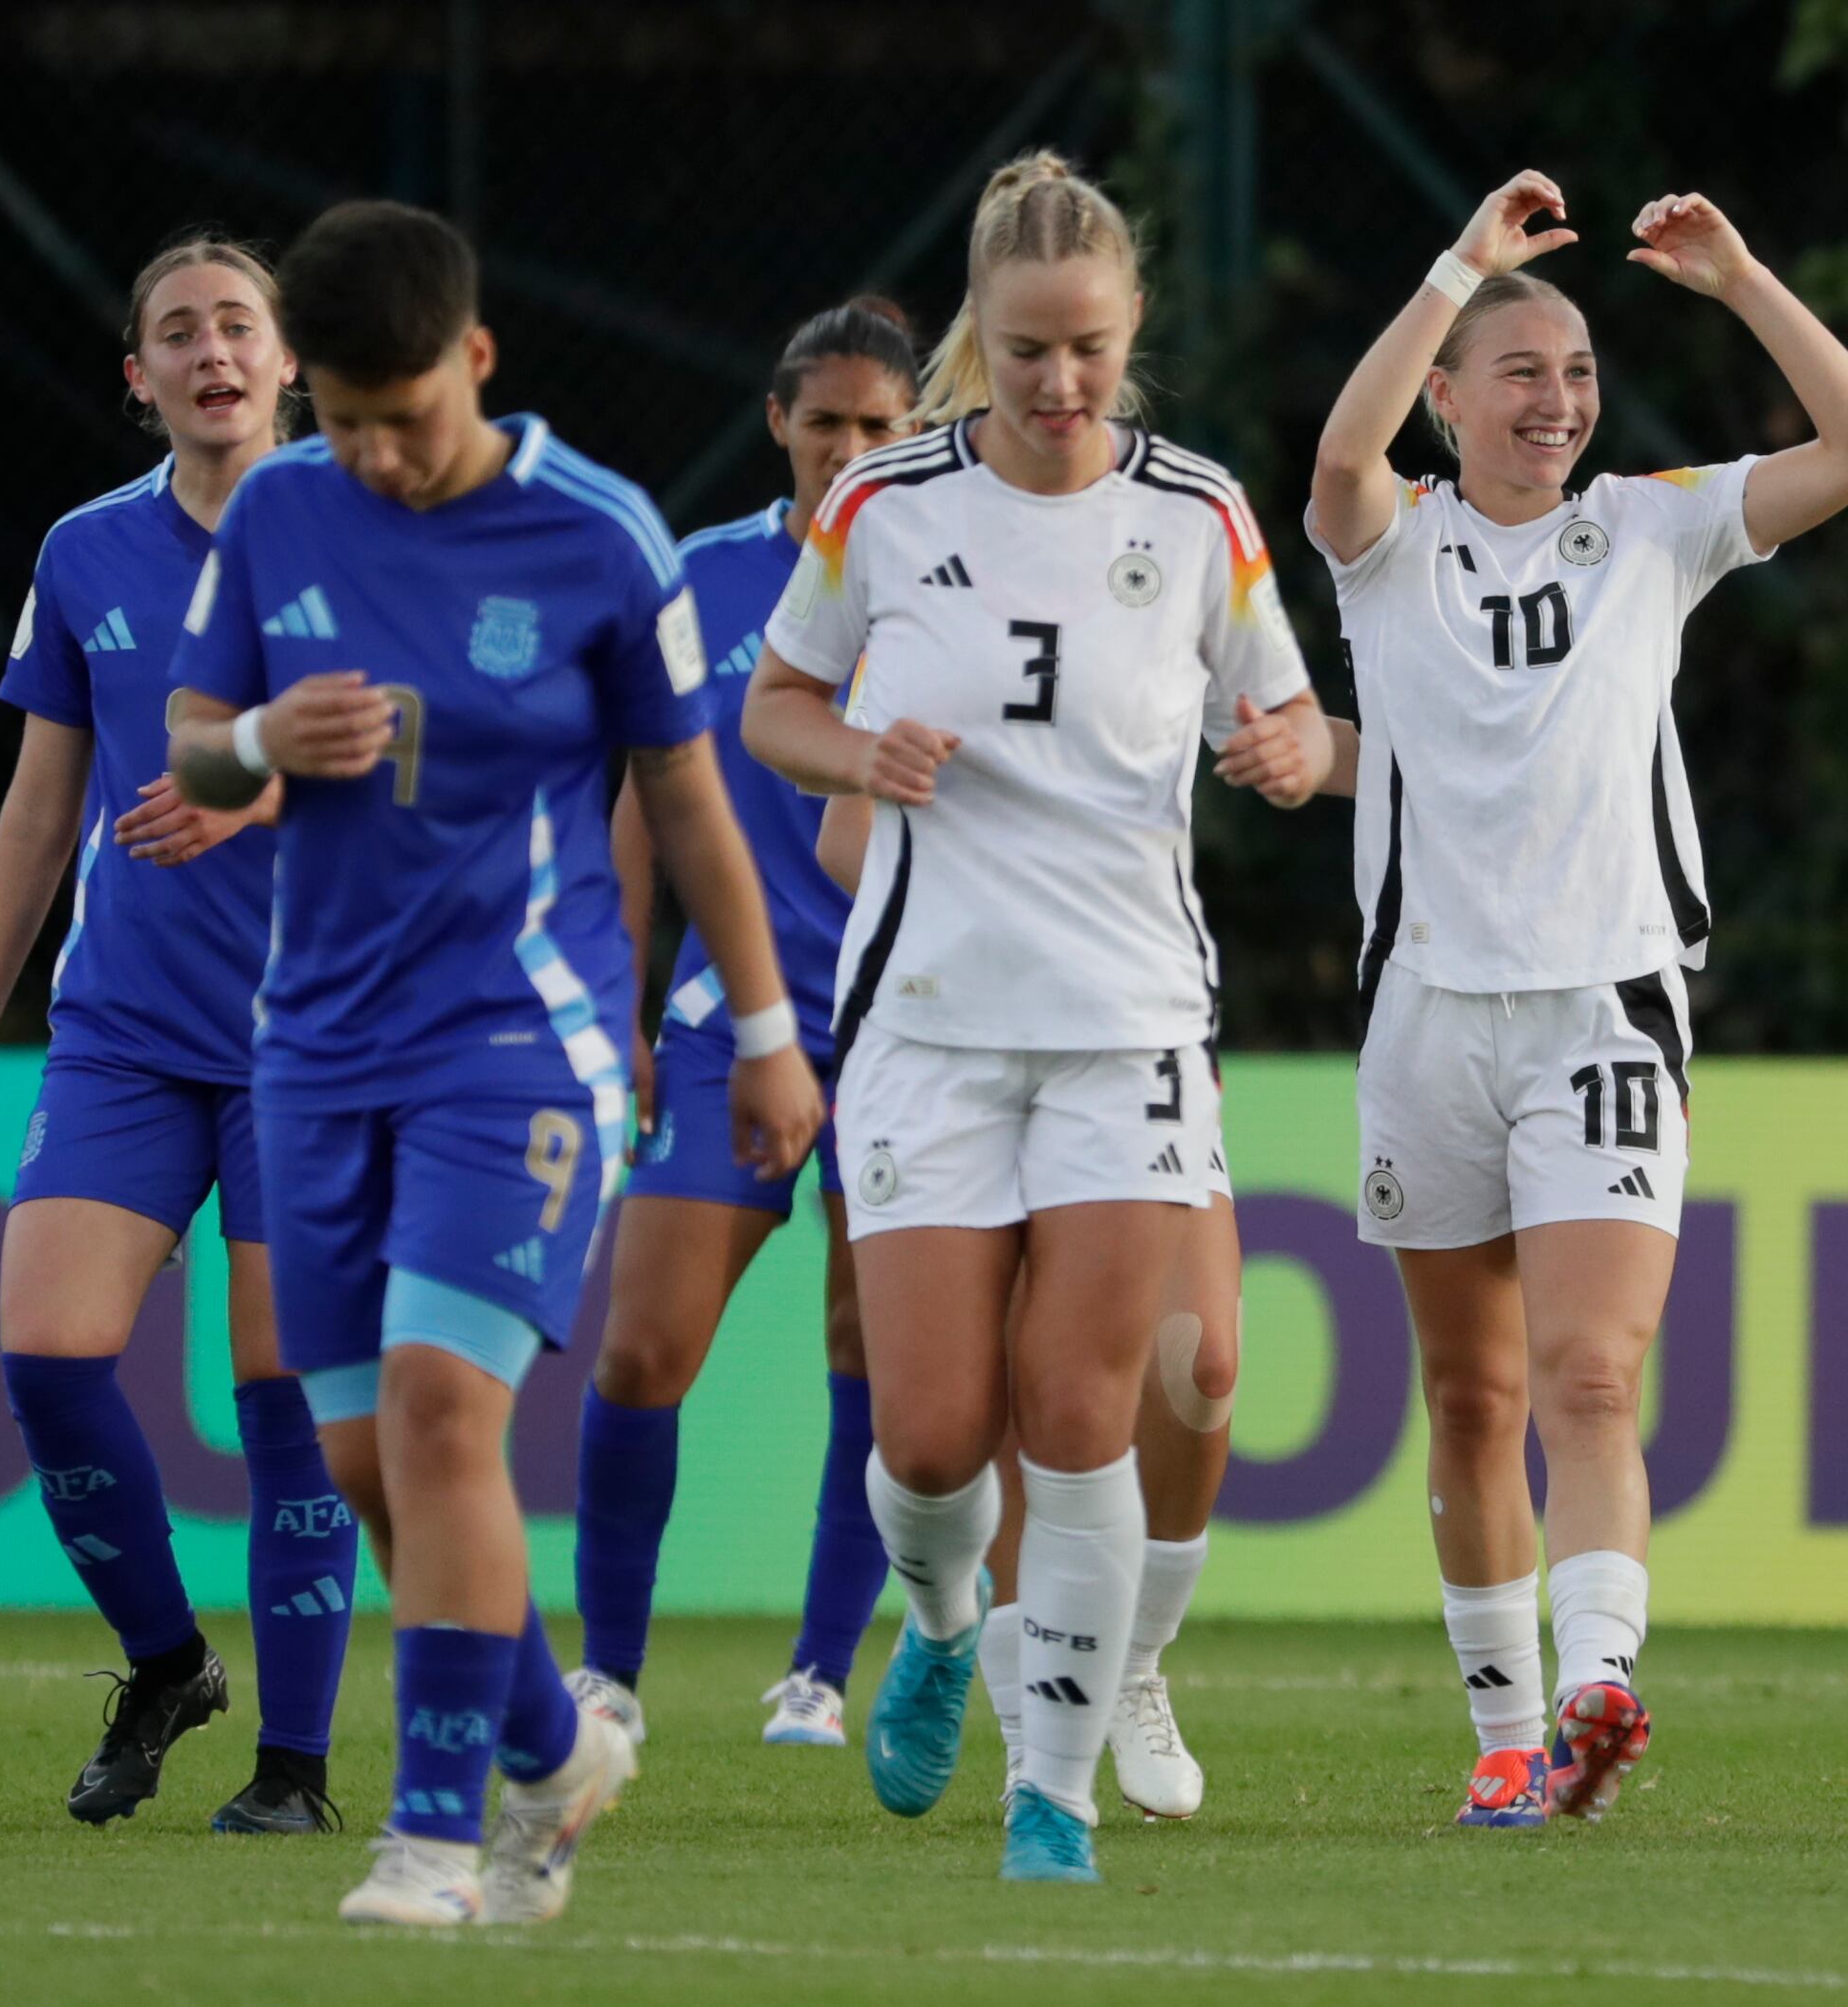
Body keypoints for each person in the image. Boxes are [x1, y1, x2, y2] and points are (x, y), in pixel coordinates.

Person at [164, 199, 823, 1926]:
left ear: (477, 358)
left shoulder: (599, 536)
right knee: (375, 1465)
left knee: (451, 1417)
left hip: (517, 1045)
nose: (377, 456)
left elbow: (686, 795)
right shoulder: (279, 510)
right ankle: (548, 1736)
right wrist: (252, 740)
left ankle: (434, 1835)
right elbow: (187, 748)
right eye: (345, 416)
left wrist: (756, 1031)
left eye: (410, 414)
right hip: (309, 1050)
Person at [743, 149, 1328, 1884]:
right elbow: (774, 701)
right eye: (1022, 354)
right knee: (929, 1438)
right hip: (923, 1027)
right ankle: (937, 1629)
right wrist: (853, 746)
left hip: (1126, 1024)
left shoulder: (1201, 514)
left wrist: (1292, 752)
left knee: (1078, 1417)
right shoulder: (882, 507)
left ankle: (1048, 1794)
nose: (1059, 385)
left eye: (1085, 348)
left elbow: (1291, 724)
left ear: (1130, 327)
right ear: (974, 348)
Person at [1306, 173, 1848, 1827]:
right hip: (1427, 1010)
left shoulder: (1646, 523)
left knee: (1585, 1373)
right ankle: (1502, 1736)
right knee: (1469, 1393)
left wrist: (1741, 282)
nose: (1555, 399)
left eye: (1574, 372)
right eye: (1519, 368)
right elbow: (1336, 464)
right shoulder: (1388, 544)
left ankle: (1595, 1685)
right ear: (1449, 392)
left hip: (1604, 1009)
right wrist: (1455, 269)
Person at [0, 234, 357, 1836]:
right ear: (140, 377)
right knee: (44, 1352)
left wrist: (252, 767)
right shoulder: (85, 550)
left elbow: (421, 765)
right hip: (122, 1031)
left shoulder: (359, 526)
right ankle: (168, 1656)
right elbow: (44, 800)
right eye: (176, 333)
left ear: (289, 357)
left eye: (237, 325)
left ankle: (295, 1772)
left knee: (282, 1390)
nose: (210, 352)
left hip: (311, 1036)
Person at [565, 299, 920, 1755]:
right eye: (824, 420)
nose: (848, 449)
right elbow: (645, 804)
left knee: (876, 1350)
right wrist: (627, 1007)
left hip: (909, 1016)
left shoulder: (951, 576)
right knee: (643, 1345)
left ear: (917, 434)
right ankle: (609, 1671)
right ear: (777, 421)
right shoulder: (697, 576)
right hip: (728, 1020)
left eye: (880, 426)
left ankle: (821, 1671)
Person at [817, 793, 1251, 1822]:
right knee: (994, 1403)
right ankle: (1021, 1724)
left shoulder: (1185, 622)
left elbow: (1275, 728)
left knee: (1200, 1367)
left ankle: (1134, 1660)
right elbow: (845, 830)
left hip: (1134, 1025)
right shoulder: (919, 627)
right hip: (958, 1037)